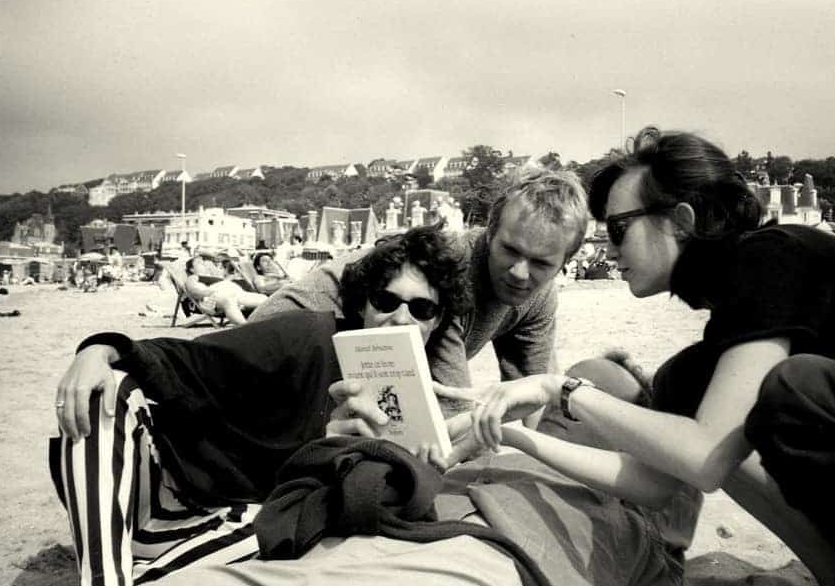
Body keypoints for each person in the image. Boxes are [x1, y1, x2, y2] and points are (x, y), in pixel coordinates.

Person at [439, 126, 835, 586]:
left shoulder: (774, 254)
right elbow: (654, 484)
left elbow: (701, 458)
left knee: (799, 390)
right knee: (695, 390)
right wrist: (518, 436)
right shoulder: (726, 328)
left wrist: (562, 388)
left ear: (681, 220)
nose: (609, 245)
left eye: (619, 228)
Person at [0, 344, 695, 586]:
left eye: (588, 406)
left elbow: (681, 476)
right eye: (559, 397)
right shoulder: (484, 452)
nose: (559, 408)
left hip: (463, 580)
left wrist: (547, 416)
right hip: (317, 551)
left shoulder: (635, 511)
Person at [45, 223, 472, 586]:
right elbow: (188, 361)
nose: (400, 319)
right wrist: (100, 348)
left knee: (300, 541)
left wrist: (342, 451)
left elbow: (331, 512)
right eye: (386, 300)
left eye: (421, 309)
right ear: (363, 304)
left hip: (230, 527)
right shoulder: (307, 336)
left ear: (435, 322)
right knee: (110, 387)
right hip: (146, 485)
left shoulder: (417, 404)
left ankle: (131, 584)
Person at [251, 169, 590, 415]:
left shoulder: (541, 298)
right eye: (510, 250)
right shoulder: (453, 265)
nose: (519, 273)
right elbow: (452, 407)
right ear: (489, 232)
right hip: (284, 344)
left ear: (565, 261)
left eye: (540, 263)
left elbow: (533, 394)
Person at [183, 255, 267, 325]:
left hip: (237, 294)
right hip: (216, 297)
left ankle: (268, 321)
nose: (204, 264)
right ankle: (246, 327)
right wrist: (207, 293)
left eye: (204, 262)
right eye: (199, 263)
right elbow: (193, 289)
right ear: (192, 269)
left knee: (264, 298)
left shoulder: (216, 277)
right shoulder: (193, 277)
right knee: (228, 300)